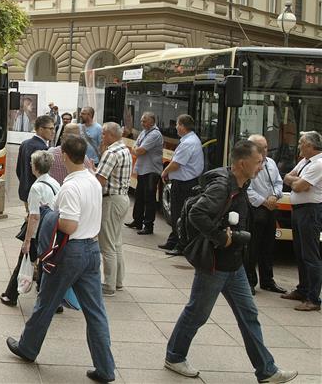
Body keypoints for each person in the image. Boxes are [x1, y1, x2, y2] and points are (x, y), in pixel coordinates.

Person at [164, 140, 297, 383]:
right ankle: (174, 356)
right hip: (215, 264)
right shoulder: (223, 187)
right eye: (258, 162)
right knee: (197, 313)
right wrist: (220, 237)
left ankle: (267, 371)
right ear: (242, 163)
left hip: (233, 264)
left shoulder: (241, 183)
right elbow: (197, 214)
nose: (261, 166)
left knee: (249, 315)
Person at [7, 136, 115, 384]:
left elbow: (68, 224)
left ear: (64, 155)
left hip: (70, 252)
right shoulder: (92, 181)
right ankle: (106, 368)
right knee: (96, 312)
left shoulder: (70, 186)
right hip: (91, 250)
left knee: (45, 303)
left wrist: (49, 214)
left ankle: (28, 348)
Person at [1, 150, 60, 307]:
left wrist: (27, 240)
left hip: (37, 232)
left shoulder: (36, 188)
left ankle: (10, 295)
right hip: (51, 231)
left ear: (35, 167)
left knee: (23, 261)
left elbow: (34, 216)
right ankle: (53, 302)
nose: (30, 165)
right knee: (46, 265)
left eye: (31, 163)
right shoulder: (55, 183)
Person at [281, 131, 322, 312]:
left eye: (301, 143)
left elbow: (298, 185)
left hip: (310, 211)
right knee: (299, 252)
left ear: (311, 146)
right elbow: (287, 177)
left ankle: (313, 298)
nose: (298, 146)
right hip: (299, 210)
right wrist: (296, 180)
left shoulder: (319, 163)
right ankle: (303, 289)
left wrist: (296, 181)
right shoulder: (305, 161)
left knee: (310, 255)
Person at [244, 134, 287, 295]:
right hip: (256, 208)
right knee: (252, 246)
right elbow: (247, 188)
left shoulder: (271, 163)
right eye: (262, 148)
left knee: (268, 246)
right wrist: (263, 201)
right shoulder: (248, 164)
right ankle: (249, 281)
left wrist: (275, 196)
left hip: (271, 207)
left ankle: (267, 280)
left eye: (266, 147)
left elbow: (278, 182)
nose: (265, 151)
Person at [95, 122, 132, 297]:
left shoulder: (111, 153)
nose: (102, 137)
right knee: (116, 242)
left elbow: (100, 179)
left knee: (107, 244)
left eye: (103, 134)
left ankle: (109, 285)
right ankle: (117, 282)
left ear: (110, 135)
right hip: (123, 198)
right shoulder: (125, 150)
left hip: (111, 200)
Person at [159, 114, 204, 255]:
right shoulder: (189, 140)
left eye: (177, 124)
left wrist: (165, 172)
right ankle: (173, 240)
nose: (176, 127)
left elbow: (177, 163)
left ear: (183, 126)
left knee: (179, 214)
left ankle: (181, 245)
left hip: (185, 183)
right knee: (176, 212)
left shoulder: (188, 142)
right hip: (184, 181)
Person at [126, 112, 163, 235]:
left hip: (151, 170)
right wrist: (136, 149)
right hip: (143, 169)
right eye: (142, 121)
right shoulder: (144, 132)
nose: (142, 123)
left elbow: (140, 150)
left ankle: (148, 226)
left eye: (145, 121)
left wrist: (136, 149)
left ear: (152, 122)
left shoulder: (155, 134)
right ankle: (137, 221)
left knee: (149, 199)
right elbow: (135, 146)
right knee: (139, 196)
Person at [17, 115, 55, 211]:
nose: (53, 132)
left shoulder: (25, 143)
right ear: (41, 129)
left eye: (53, 129)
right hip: (37, 192)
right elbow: (42, 174)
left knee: (30, 217)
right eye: (50, 129)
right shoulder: (42, 148)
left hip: (25, 191)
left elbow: (18, 170)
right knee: (36, 220)